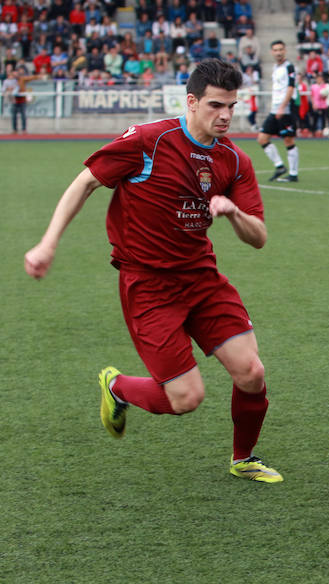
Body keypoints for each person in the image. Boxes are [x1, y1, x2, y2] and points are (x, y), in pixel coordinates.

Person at [23, 59, 283, 483]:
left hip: (202, 278)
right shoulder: (149, 140)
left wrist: (233, 212)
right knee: (185, 398)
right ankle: (117, 387)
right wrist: (48, 243)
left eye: (233, 106)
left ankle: (243, 458)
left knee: (252, 373)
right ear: (192, 101)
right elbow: (84, 183)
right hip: (149, 286)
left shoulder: (235, 161)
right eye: (217, 105)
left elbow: (258, 238)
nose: (226, 116)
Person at [257, 40, 299, 182]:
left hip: (285, 109)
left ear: (285, 50)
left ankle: (293, 174)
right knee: (262, 138)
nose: (278, 52)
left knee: (288, 140)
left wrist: (282, 106)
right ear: (272, 52)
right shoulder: (276, 67)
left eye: (281, 49)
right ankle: (280, 166)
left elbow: (290, 88)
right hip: (275, 109)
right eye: (275, 50)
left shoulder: (289, 67)